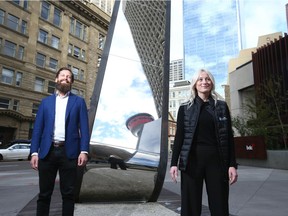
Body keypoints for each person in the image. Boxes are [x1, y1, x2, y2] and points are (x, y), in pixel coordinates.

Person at [169, 69, 238, 216]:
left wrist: (232, 164)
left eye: (207, 79)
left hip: (217, 161)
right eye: (200, 79)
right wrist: (174, 163)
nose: (204, 82)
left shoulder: (221, 106)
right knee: (190, 206)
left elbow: (229, 138)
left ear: (212, 83)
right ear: (195, 84)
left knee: (219, 204)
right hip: (192, 161)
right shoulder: (184, 108)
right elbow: (180, 137)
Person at [30, 67, 90, 216]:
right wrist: (33, 152)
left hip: (69, 153)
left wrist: (84, 150)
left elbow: (84, 128)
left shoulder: (79, 102)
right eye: (62, 75)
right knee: (44, 194)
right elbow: (38, 129)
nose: (65, 78)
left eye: (69, 77)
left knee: (68, 194)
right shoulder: (45, 102)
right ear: (56, 79)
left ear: (71, 82)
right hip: (47, 152)